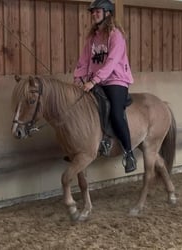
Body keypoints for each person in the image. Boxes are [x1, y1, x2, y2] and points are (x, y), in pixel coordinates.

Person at [73, 0, 137, 173]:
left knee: (116, 113)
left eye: (97, 11)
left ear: (107, 13)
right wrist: (78, 78)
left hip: (116, 80)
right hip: (96, 80)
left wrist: (94, 81)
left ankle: (129, 153)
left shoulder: (116, 35)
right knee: (84, 108)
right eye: (92, 12)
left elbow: (111, 62)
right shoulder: (92, 38)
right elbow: (84, 60)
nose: (94, 14)